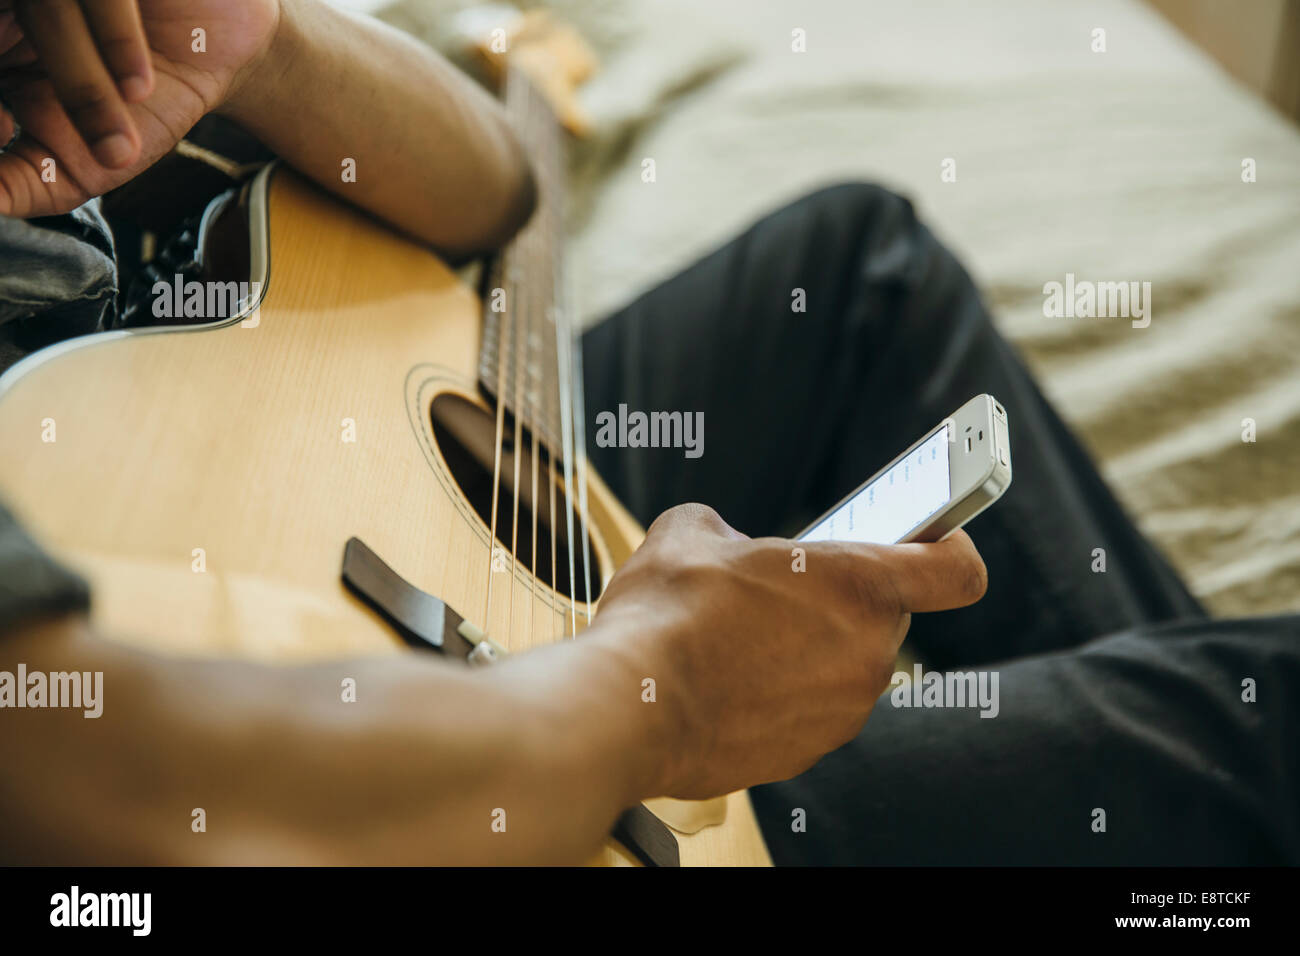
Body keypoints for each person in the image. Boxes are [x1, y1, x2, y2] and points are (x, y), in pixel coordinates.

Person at [0, 0, 1294, 866]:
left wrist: (258, 43)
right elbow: (87, 764)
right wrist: (660, 691)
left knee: (855, 264)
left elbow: (491, 191)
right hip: (432, 790)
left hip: (232, 462)